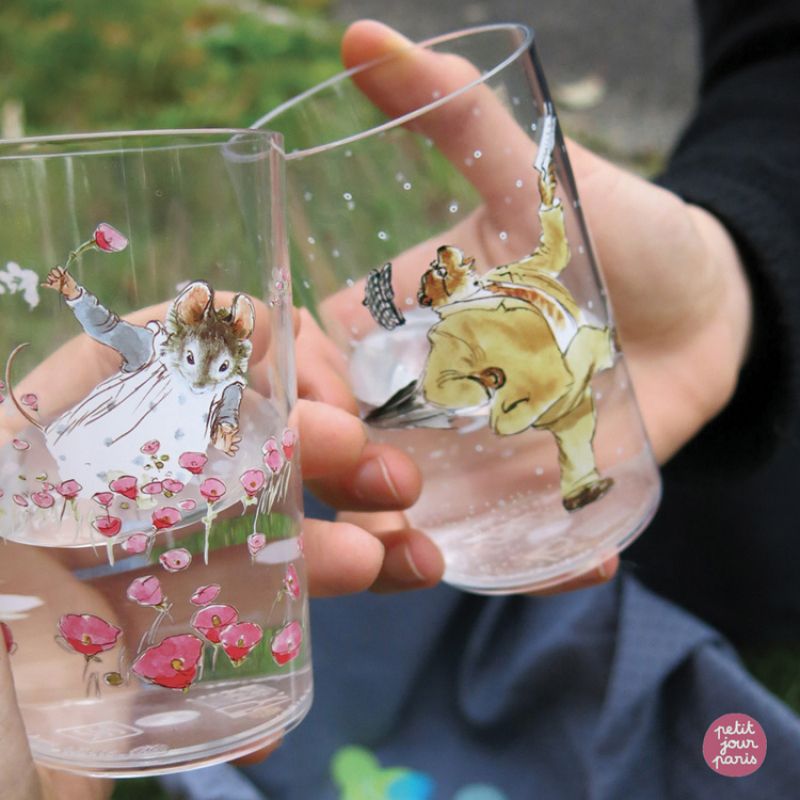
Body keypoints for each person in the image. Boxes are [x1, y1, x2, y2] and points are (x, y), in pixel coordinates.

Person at [3, 0, 800, 796]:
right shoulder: (153, 363)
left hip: (583, 406)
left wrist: (725, 283)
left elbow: (226, 431)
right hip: (105, 466)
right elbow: (112, 329)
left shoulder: (231, 402)